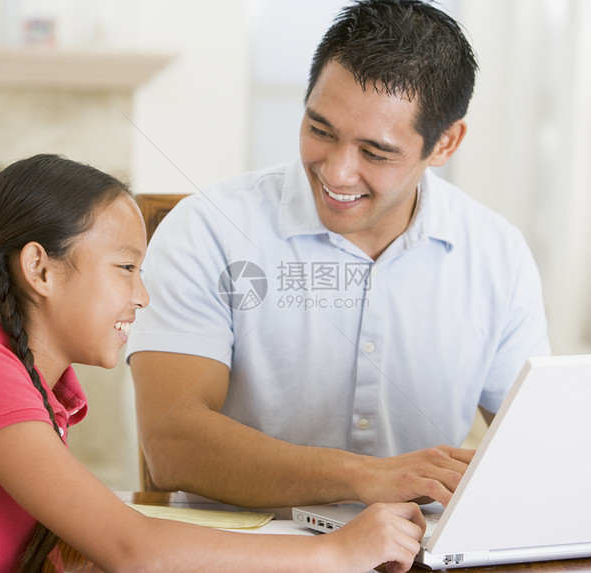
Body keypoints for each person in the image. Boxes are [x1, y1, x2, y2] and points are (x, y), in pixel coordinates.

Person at [0, 154, 427, 573]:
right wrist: (335, 553)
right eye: (125, 267)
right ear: (40, 269)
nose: (143, 296)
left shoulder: (32, 380)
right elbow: (131, 548)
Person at [127, 0, 550, 509]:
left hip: (418, 554)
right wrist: (368, 478)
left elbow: (542, 447)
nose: (337, 172)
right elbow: (173, 447)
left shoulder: (496, 254)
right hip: (252, 554)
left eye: (375, 153)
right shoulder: (209, 229)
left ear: (444, 144)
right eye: (320, 131)